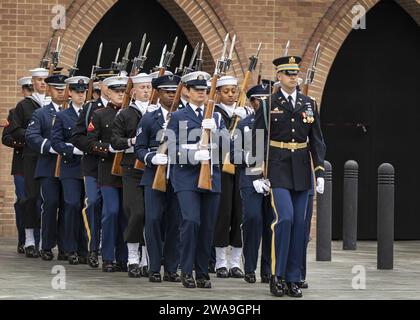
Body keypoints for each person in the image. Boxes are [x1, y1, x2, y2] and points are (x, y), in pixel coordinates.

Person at [253, 55, 326, 298]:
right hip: (277, 169)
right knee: (284, 219)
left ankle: (294, 278)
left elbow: (316, 140)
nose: (293, 77)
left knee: (299, 226)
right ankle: (277, 275)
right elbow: (256, 140)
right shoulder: (267, 104)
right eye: (288, 73)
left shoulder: (308, 103)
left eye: (295, 73)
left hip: (302, 171)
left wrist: (320, 171)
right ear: (279, 76)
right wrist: (257, 172)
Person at [166, 72, 227, 289]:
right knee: (191, 221)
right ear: (187, 92)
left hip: (211, 176)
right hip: (185, 177)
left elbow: (230, 147)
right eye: (198, 90)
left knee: (207, 226)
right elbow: (170, 149)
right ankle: (186, 268)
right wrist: (193, 154)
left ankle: (202, 272)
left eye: (205, 90)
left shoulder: (217, 117)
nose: (202, 93)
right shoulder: (178, 116)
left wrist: (217, 133)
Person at [135, 74, 182, 283]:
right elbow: (139, 148)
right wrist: (152, 157)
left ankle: (171, 268)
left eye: (175, 92)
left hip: (178, 176)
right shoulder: (148, 118)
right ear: (159, 93)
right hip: (154, 176)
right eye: (167, 92)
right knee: (153, 220)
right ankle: (154, 266)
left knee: (174, 222)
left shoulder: (183, 117)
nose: (171, 95)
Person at [71, 68, 118, 268]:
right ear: (103, 88)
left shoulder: (124, 108)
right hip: (92, 165)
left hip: (114, 168)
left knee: (112, 210)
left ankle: (112, 251)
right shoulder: (91, 108)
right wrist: (97, 148)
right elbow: (77, 136)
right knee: (93, 204)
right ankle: (93, 247)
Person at [231, 83, 273, 284]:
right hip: (250, 178)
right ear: (252, 102)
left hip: (274, 179)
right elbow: (233, 155)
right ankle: (249, 267)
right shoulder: (244, 124)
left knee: (271, 224)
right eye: (260, 100)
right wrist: (250, 160)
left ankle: (268, 269)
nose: (263, 104)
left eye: (267, 100)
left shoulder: (277, 123)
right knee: (253, 219)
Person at [111, 73, 152, 278]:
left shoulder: (156, 113)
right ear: (133, 91)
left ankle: (147, 259)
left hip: (153, 167)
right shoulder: (125, 114)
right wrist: (133, 141)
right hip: (131, 168)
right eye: (142, 87)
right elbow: (115, 141)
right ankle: (133, 257)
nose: (146, 90)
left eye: (148, 87)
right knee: (137, 212)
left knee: (152, 215)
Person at [87, 75, 128, 272]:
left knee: (126, 215)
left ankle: (123, 257)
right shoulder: (100, 114)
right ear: (108, 93)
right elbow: (91, 141)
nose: (120, 95)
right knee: (111, 212)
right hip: (108, 170)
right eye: (117, 91)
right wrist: (108, 148)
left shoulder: (131, 113)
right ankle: (108, 256)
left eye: (123, 91)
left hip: (127, 171)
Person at [26, 73, 68, 261]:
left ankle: (67, 246)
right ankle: (47, 245)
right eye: (57, 89)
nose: (61, 93)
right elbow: (32, 136)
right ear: (50, 90)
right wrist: (49, 146)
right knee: (50, 204)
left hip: (69, 166)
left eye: (63, 89)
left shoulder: (73, 112)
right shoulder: (41, 113)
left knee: (69, 205)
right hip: (49, 165)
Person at [9, 68, 50, 258]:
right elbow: (14, 131)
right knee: (30, 197)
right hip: (31, 157)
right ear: (33, 83)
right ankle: (30, 240)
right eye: (39, 80)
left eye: (45, 80)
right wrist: (33, 136)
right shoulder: (23, 106)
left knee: (48, 200)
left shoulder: (54, 105)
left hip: (49, 157)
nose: (42, 83)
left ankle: (45, 241)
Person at [51, 76, 90, 264]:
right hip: (70, 166)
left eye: (83, 93)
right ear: (71, 93)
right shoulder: (62, 116)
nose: (81, 96)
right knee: (72, 205)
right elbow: (56, 142)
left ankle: (85, 249)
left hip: (88, 167)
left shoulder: (91, 112)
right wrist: (71, 149)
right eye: (77, 92)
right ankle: (69, 248)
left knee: (87, 208)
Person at [213, 76, 248, 279]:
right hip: (222, 169)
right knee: (223, 214)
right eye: (226, 91)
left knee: (239, 215)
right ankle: (220, 262)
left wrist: (244, 121)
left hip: (241, 168)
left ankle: (235, 262)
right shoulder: (215, 114)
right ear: (218, 93)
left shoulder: (244, 114)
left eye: (234, 91)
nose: (231, 95)